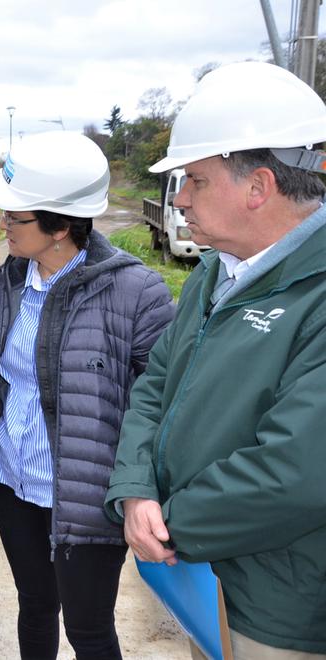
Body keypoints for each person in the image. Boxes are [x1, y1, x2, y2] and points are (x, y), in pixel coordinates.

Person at [104, 61, 326, 657]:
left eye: (195, 180)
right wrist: (133, 490)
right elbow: (155, 386)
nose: (179, 198)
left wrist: (166, 522)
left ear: (258, 187)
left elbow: (296, 474)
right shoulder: (213, 275)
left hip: (280, 609)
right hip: (205, 581)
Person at [0, 132, 175, 659]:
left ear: (60, 227)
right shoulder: (12, 280)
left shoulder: (136, 293)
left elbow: (164, 404)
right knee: (34, 605)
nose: (4, 224)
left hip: (83, 494)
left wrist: (141, 487)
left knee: (88, 630)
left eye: (16, 217)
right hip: (14, 478)